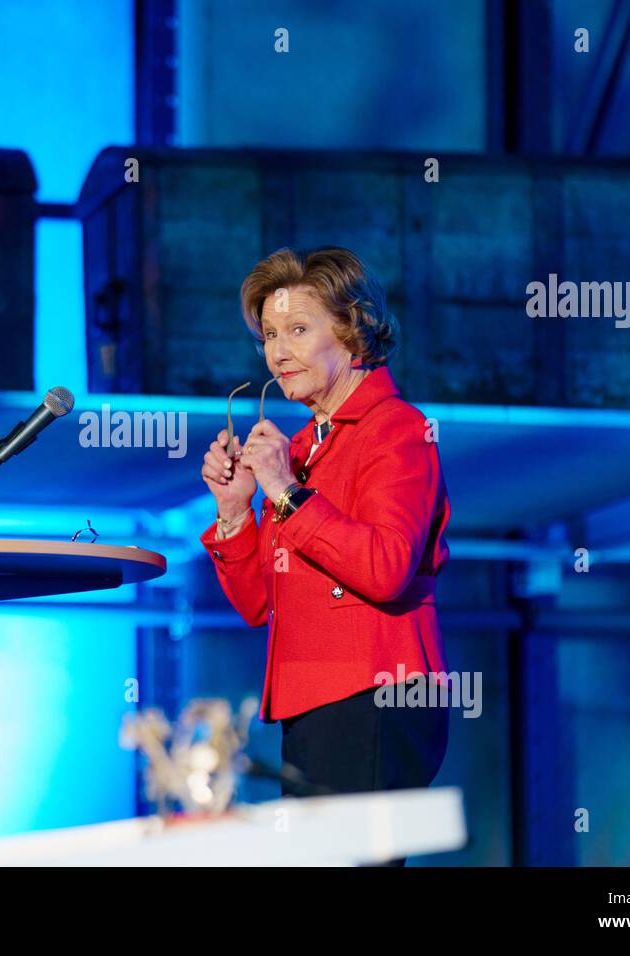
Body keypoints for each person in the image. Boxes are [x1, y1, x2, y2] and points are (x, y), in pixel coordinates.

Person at [198, 247, 452, 864]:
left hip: (372, 691)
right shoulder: (306, 447)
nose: (278, 350)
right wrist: (236, 512)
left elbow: (387, 567)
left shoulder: (396, 429)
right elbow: (261, 604)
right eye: (269, 334)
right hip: (314, 698)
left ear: (354, 328)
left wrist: (285, 493)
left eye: (299, 330)